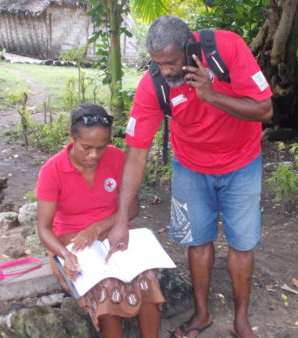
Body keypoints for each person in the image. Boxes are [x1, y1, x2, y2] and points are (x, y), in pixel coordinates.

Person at [106, 15, 273, 338]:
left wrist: (211, 95)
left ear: (190, 47)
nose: (165, 70)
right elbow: (136, 155)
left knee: (242, 243)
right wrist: (120, 219)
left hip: (242, 162)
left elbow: (265, 110)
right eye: (157, 63)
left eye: (170, 61)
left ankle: (241, 319)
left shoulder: (227, 48)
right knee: (197, 242)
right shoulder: (153, 85)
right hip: (191, 167)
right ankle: (201, 313)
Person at [36, 103, 164, 338]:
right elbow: (44, 229)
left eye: (101, 148)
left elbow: (132, 207)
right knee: (105, 289)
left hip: (114, 233)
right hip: (72, 243)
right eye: (87, 147)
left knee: (146, 282)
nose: (94, 155)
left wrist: (98, 227)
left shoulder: (116, 158)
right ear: (71, 137)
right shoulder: (52, 170)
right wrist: (65, 255)